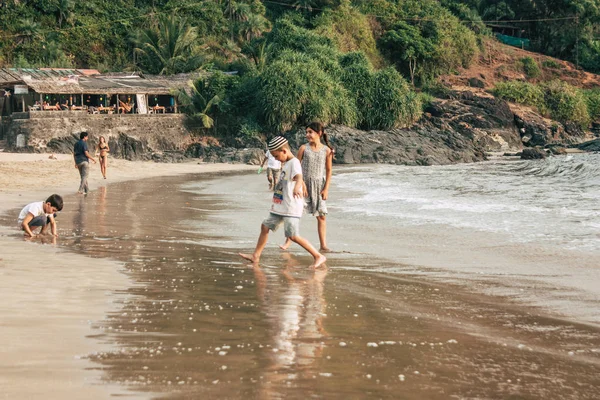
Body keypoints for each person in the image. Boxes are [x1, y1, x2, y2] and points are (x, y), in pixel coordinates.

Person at [239, 136, 326, 269]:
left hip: (291, 207)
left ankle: (318, 256)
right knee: (265, 226)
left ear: (284, 151)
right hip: (280, 206)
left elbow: (299, 176)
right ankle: (256, 256)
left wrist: (298, 185)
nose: (274, 159)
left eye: (275, 155)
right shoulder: (287, 163)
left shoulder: (294, 162)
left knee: (293, 235)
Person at [280, 122, 334, 252]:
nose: (307, 135)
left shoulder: (327, 150)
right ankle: (288, 241)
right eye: (307, 132)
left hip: (318, 186)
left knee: (321, 216)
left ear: (319, 133)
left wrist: (326, 189)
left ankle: (323, 245)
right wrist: (301, 183)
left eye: (310, 132)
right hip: (302, 185)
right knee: (295, 213)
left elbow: (329, 171)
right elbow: (295, 166)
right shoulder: (304, 148)